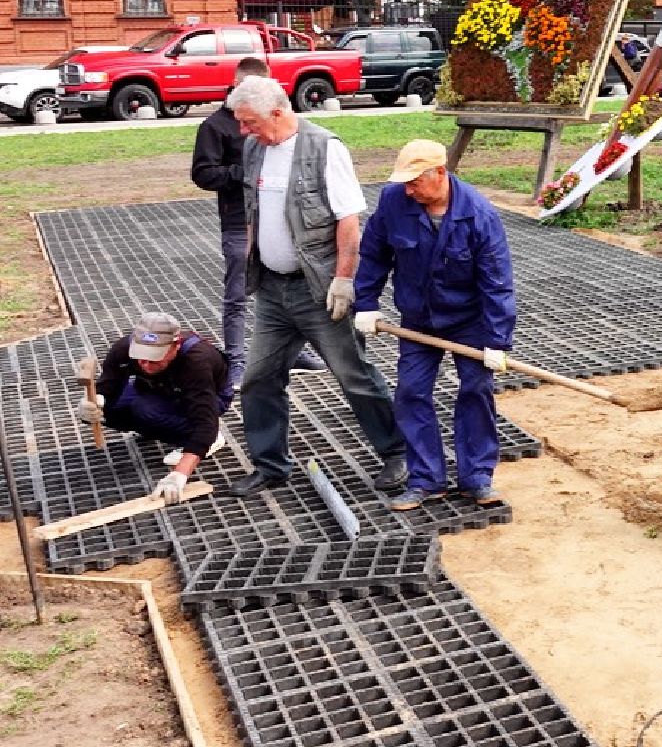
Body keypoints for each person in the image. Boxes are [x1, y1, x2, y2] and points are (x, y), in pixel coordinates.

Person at [224, 75, 407, 497]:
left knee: (353, 375)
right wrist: (250, 264)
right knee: (258, 378)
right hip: (273, 290)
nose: (244, 131)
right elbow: (254, 212)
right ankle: (271, 465)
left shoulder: (324, 148)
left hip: (318, 289)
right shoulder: (256, 148)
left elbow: (348, 221)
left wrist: (343, 280)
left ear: (277, 112)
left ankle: (398, 452)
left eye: (250, 122)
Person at [354, 139, 516, 510]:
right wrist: (366, 304)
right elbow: (375, 253)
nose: (408, 191)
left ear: (440, 173)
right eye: (405, 183)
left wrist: (497, 341)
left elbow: (497, 282)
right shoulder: (394, 202)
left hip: (469, 320)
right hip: (418, 320)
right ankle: (426, 480)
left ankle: (477, 479)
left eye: (415, 182)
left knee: (476, 390)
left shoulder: (479, 215)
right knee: (411, 392)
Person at [190, 56, 323, 386]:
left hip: (281, 221)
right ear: (237, 86)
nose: (247, 129)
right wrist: (247, 173)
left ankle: (291, 352)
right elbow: (203, 173)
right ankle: (235, 359)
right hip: (240, 222)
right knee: (238, 293)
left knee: (286, 288)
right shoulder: (215, 126)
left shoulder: (279, 121)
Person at [74, 312, 230, 504]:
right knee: (106, 411)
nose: (145, 365)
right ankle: (157, 425)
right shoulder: (123, 348)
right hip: (157, 388)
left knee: (146, 411)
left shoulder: (197, 361)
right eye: (141, 357)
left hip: (207, 397)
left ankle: (208, 439)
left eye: (154, 359)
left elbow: (205, 420)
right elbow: (108, 386)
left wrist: (179, 474)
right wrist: (92, 402)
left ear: (175, 346)